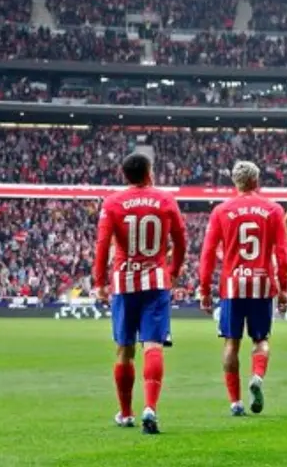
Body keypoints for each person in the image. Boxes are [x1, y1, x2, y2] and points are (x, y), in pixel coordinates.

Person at [93, 153, 187, 435]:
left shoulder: (112, 203)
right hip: (156, 282)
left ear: (125, 175)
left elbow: (102, 244)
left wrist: (99, 281)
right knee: (153, 345)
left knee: (125, 349)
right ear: (149, 172)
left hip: (124, 282)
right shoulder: (165, 199)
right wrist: (175, 269)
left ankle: (126, 413)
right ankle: (151, 408)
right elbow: (181, 239)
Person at [199, 160, 287, 417]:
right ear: (257, 181)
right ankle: (258, 377)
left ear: (235, 182)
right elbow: (282, 254)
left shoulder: (221, 211)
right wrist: (283, 289)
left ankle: (235, 402)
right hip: (262, 283)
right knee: (261, 340)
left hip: (232, 284)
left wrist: (204, 289)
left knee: (231, 343)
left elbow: (207, 253)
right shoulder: (272, 210)